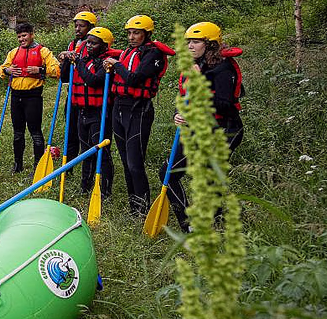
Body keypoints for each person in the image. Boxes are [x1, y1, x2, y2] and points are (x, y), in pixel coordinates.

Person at [161, 22, 244, 232]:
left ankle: (214, 224)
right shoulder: (196, 65)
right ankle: (188, 224)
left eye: (196, 42)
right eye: (188, 41)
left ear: (211, 45)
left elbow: (225, 105)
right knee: (168, 174)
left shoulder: (224, 69)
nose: (190, 46)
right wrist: (178, 115)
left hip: (225, 129)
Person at [102, 15, 175, 215]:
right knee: (125, 161)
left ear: (146, 34)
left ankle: (143, 208)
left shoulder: (153, 55)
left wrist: (116, 65)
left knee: (135, 163)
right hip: (119, 107)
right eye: (130, 33)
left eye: (137, 33)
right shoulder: (128, 52)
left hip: (138, 109)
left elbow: (134, 79)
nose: (132, 37)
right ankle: (134, 207)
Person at [0, 23, 61, 173]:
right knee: (18, 133)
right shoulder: (14, 52)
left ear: (32, 34)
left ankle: (38, 167)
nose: (21, 39)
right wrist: (7, 70)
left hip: (33, 96)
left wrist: (41, 69)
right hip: (16, 96)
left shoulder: (43, 51)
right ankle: (17, 165)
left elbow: (56, 70)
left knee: (35, 132)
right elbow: (1, 69)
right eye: (19, 37)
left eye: (24, 35)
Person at [63, 27, 115, 197]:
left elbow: (93, 81)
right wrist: (66, 60)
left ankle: (105, 190)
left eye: (94, 43)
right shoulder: (84, 60)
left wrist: (78, 63)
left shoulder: (107, 63)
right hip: (82, 112)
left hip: (99, 113)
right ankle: (85, 187)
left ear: (104, 46)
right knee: (86, 152)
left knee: (102, 152)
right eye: (88, 43)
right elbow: (64, 78)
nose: (89, 46)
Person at [58, 10, 97, 164]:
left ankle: (88, 168)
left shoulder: (95, 45)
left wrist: (75, 56)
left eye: (82, 26)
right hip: (73, 95)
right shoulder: (73, 44)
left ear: (90, 27)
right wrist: (65, 61)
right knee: (70, 132)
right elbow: (65, 77)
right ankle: (68, 166)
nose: (77, 29)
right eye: (76, 26)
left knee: (86, 136)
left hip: (88, 97)